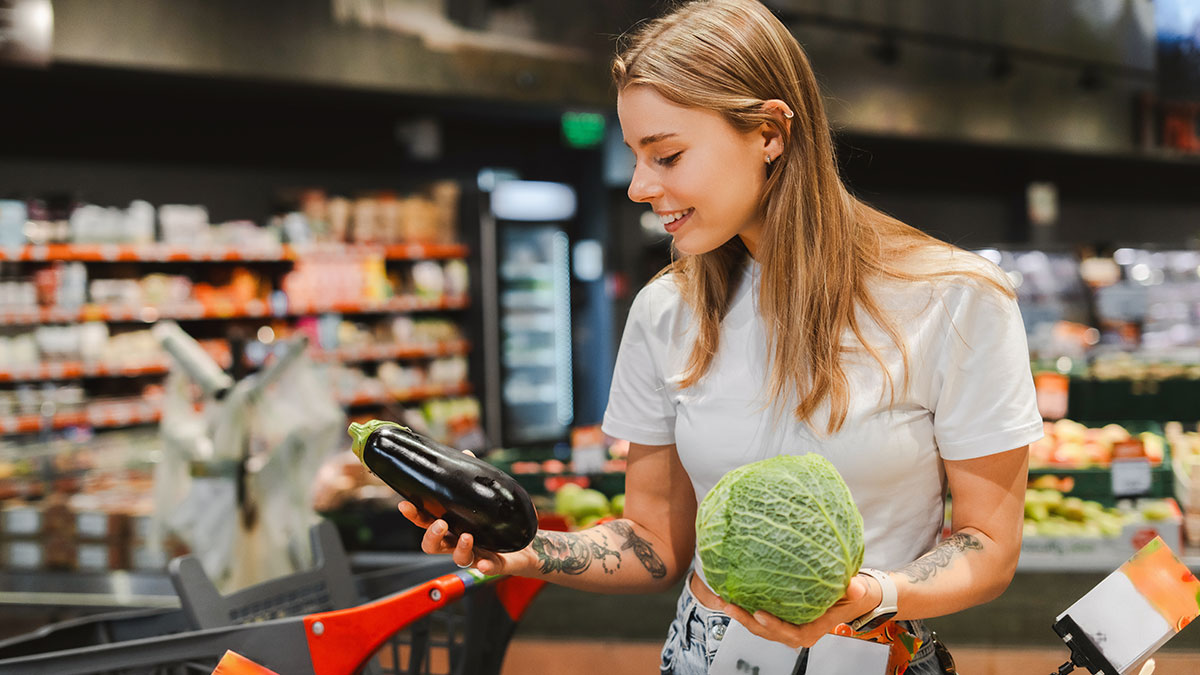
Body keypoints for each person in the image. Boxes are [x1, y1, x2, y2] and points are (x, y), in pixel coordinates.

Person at [398, 1, 1042, 673]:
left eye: (668, 155)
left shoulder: (956, 298)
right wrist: (526, 554)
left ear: (769, 132)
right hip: (704, 657)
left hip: (869, 654)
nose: (642, 187)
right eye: (636, 158)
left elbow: (986, 545)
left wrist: (870, 595)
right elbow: (653, 544)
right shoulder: (665, 311)